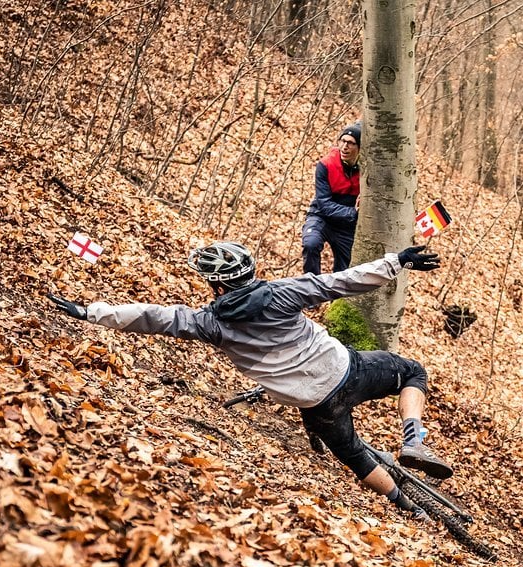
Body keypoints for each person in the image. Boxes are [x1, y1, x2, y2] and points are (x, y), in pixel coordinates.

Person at [47, 241, 452, 521]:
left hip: (312, 401)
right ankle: (413, 439)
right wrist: (396, 261)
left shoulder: (208, 323)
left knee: (353, 455)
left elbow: (153, 317)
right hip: (348, 370)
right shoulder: (283, 293)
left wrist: (90, 311)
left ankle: (409, 507)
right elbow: (341, 282)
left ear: (218, 285)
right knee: (412, 371)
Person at [302, 122, 362, 274]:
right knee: (311, 244)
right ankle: (311, 288)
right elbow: (324, 204)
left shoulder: (367, 170)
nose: (345, 147)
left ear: (360, 148)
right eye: (342, 141)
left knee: (346, 271)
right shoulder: (326, 165)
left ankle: (338, 297)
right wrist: (352, 213)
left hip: (346, 227)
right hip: (322, 217)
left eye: (350, 143)